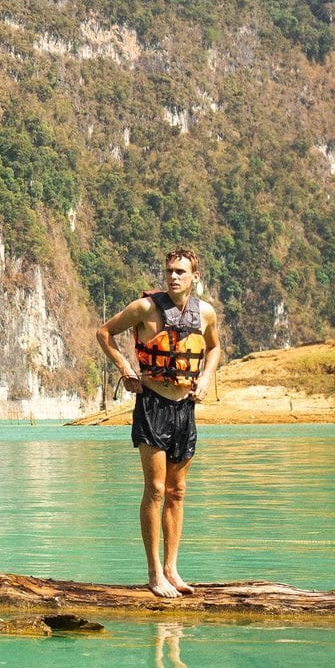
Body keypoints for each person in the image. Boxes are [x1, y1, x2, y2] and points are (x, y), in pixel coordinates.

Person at [95, 248, 222, 597]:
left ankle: (172, 569)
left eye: (181, 271)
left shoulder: (205, 313)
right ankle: (154, 574)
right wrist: (124, 368)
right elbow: (104, 333)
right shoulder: (145, 309)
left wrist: (207, 378)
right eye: (169, 271)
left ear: (195, 276)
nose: (173, 277)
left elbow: (214, 348)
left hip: (185, 408)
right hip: (152, 404)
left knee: (177, 492)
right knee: (154, 489)